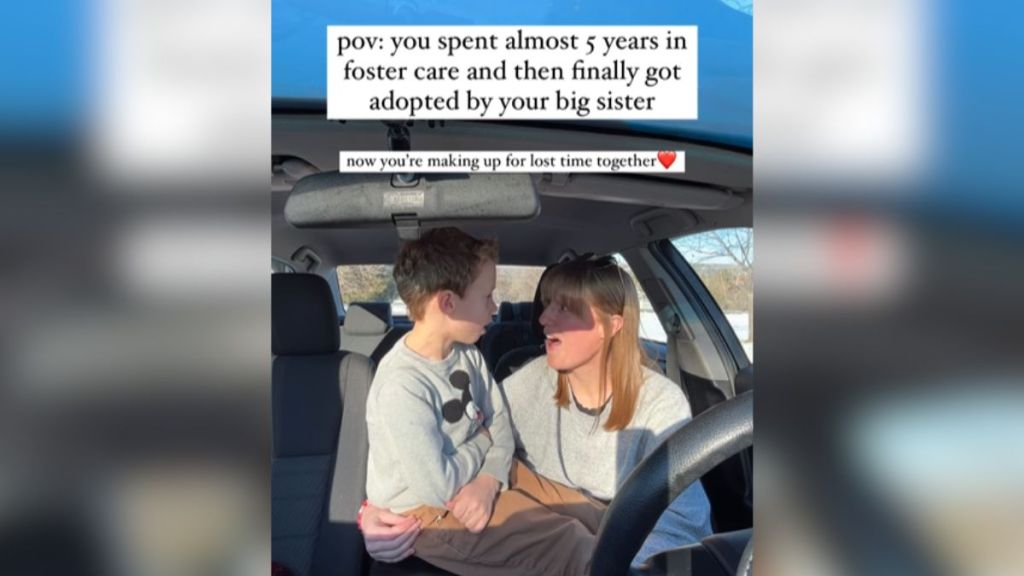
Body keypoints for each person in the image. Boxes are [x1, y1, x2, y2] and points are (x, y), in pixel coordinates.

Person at [361, 253, 713, 570]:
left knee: (598, 531)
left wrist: (620, 565)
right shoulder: (529, 383)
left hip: (625, 539)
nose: (543, 318)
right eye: (547, 305)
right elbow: (441, 443)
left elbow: (682, 522)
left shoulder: (659, 402)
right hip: (542, 531)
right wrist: (374, 511)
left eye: (565, 308)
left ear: (612, 325)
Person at [365, 228, 604, 576]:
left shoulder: (468, 355)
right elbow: (439, 485)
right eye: (487, 296)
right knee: (574, 545)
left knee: (595, 515)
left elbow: (499, 422)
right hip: (429, 512)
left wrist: (489, 478)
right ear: (448, 303)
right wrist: (482, 440)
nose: (495, 308)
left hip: (483, 472)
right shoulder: (403, 384)